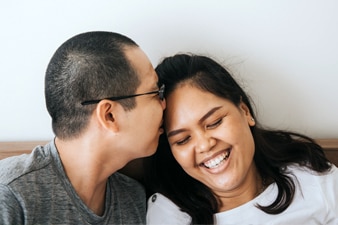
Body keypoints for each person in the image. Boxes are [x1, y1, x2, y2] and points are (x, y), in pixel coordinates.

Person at [145, 53, 338, 225]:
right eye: (183, 140)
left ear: (244, 111)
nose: (204, 144)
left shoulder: (313, 181)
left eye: (214, 122)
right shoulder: (168, 214)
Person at [0, 31, 166, 224]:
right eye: (155, 92)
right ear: (109, 115)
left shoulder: (133, 200)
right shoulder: (11, 195)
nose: (164, 104)